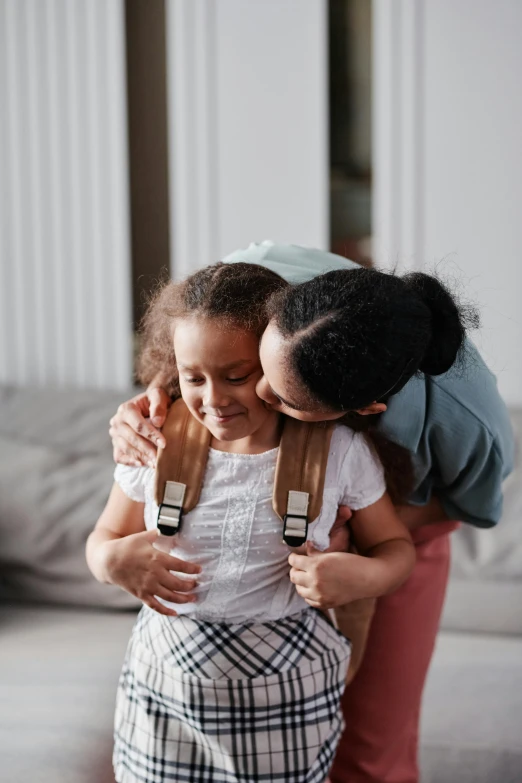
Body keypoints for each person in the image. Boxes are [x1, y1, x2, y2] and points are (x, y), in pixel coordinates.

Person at [109, 242, 514, 783]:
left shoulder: (465, 420)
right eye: (258, 370)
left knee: (371, 746)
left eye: (283, 399)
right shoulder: (266, 277)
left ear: (357, 412)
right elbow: (199, 340)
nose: (259, 398)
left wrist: (351, 538)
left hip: (398, 526)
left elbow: (469, 506)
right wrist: (153, 400)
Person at [87, 262, 416, 783]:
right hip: (165, 695)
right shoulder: (154, 437)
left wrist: (365, 576)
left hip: (286, 695)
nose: (213, 400)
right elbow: (103, 537)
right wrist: (108, 561)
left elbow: (396, 547)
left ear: (278, 357)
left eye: (237, 376)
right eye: (193, 377)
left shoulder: (337, 450)